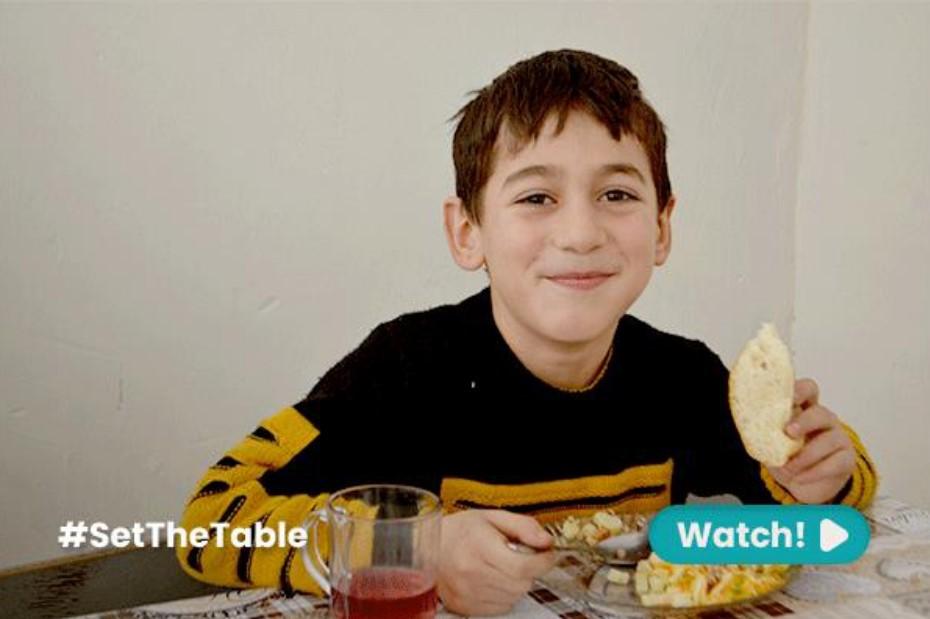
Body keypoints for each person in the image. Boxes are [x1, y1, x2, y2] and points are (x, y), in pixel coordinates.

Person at [175, 49, 877, 616]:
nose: (580, 233)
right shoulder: (402, 372)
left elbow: (821, 518)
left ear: (662, 227)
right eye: (537, 197)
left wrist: (825, 477)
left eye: (617, 194)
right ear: (467, 231)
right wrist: (418, 550)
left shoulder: (685, 379)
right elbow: (209, 521)